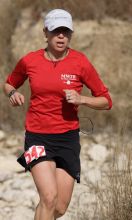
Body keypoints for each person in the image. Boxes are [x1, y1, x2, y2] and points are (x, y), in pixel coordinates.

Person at [3, 9, 112, 220]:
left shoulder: (80, 62)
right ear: (46, 33)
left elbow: (106, 100)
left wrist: (82, 99)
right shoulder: (30, 61)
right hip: (37, 137)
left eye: (66, 31)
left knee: (59, 208)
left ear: (71, 34)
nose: (61, 36)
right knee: (49, 198)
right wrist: (13, 93)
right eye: (56, 31)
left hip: (68, 138)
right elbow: (8, 84)